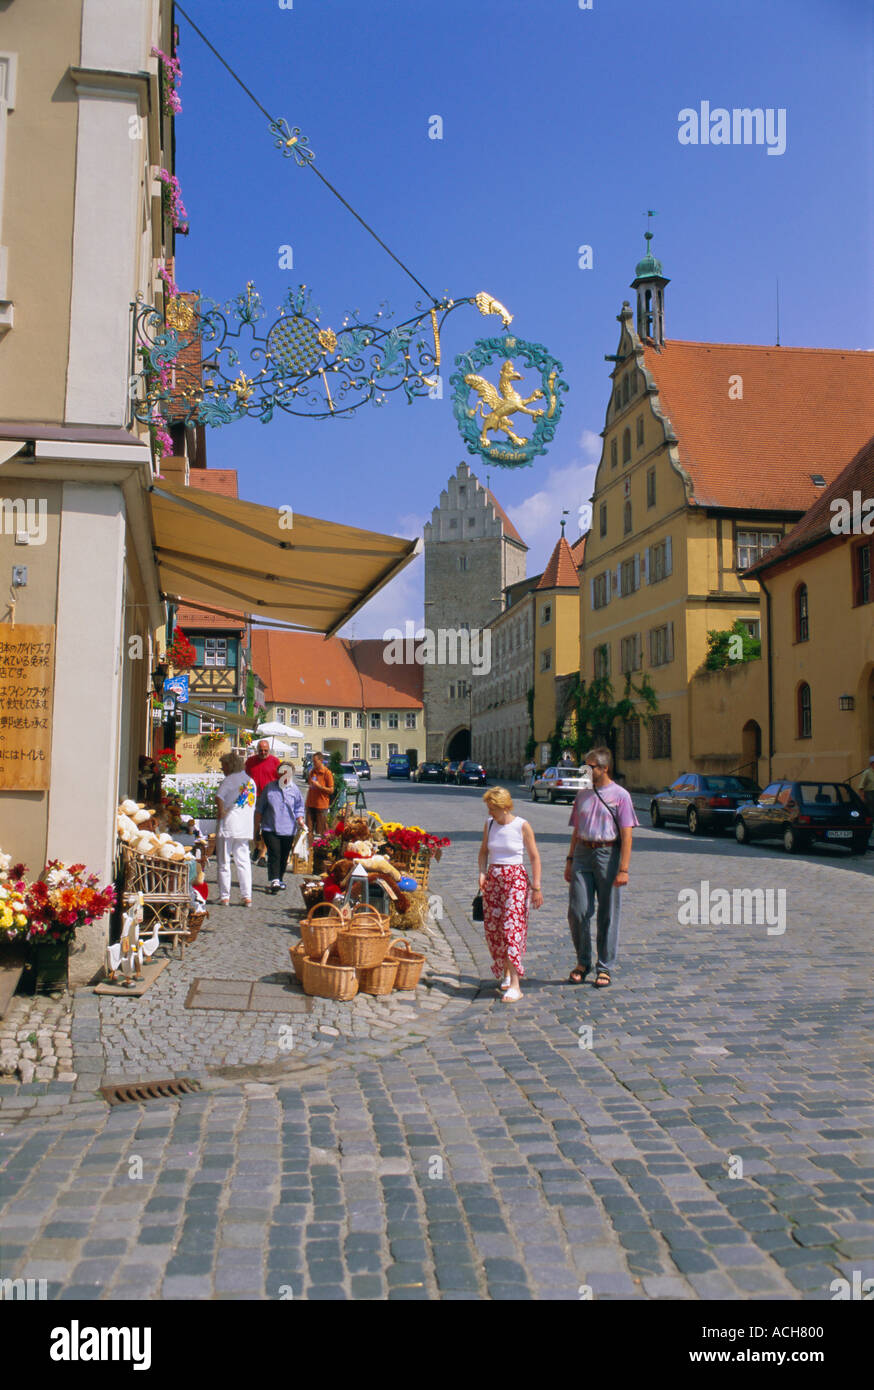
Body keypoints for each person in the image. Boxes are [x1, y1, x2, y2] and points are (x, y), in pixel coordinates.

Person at [565, 746, 638, 988]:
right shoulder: (582, 794)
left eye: (590, 766)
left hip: (608, 853)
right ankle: (583, 961)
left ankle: (604, 967)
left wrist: (624, 868)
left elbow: (626, 835)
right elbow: (576, 829)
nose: (586, 770)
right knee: (577, 910)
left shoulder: (621, 796)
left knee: (608, 913)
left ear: (604, 768)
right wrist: (570, 859)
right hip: (583, 853)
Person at [477, 786, 543, 1002]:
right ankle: (506, 971)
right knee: (495, 929)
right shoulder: (489, 824)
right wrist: (482, 872)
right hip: (494, 879)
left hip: (515, 879)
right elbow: (484, 850)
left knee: (511, 928)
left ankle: (516, 985)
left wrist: (537, 887)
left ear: (505, 807)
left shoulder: (521, 825)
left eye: (493, 809)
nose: (489, 813)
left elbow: (534, 857)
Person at [255, 761, 306, 894]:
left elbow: (299, 807)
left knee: (284, 855)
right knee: (274, 853)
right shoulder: (269, 788)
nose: (284, 775)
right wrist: (256, 826)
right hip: (270, 827)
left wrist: (300, 819)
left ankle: (280, 878)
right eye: (282, 772)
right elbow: (260, 808)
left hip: (289, 829)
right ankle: (274, 879)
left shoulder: (295, 789)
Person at [215, 751, 257, 907]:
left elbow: (219, 797)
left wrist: (221, 812)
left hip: (228, 824)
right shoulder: (250, 781)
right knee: (243, 861)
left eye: (223, 765)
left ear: (229, 765)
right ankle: (247, 896)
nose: (222, 769)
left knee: (224, 861)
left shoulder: (229, 780)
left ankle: (225, 896)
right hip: (245, 825)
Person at [305, 752, 334, 837]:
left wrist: (320, 787)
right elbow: (310, 786)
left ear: (321, 760)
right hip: (310, 805)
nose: (313, 764)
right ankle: (309, 849)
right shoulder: (312, 772)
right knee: (308, 831)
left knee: (321, 831)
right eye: (312, 761)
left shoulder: (327, 773)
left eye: (315, 762)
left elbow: (331, 790)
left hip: (321, 806)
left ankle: (321, 849)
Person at [859, 755, 874, 820]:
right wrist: (862, 796)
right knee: (870, 808)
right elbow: (861, 785)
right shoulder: (866, 773)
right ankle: (871, 821)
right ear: (871, 764)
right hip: (869, 792)